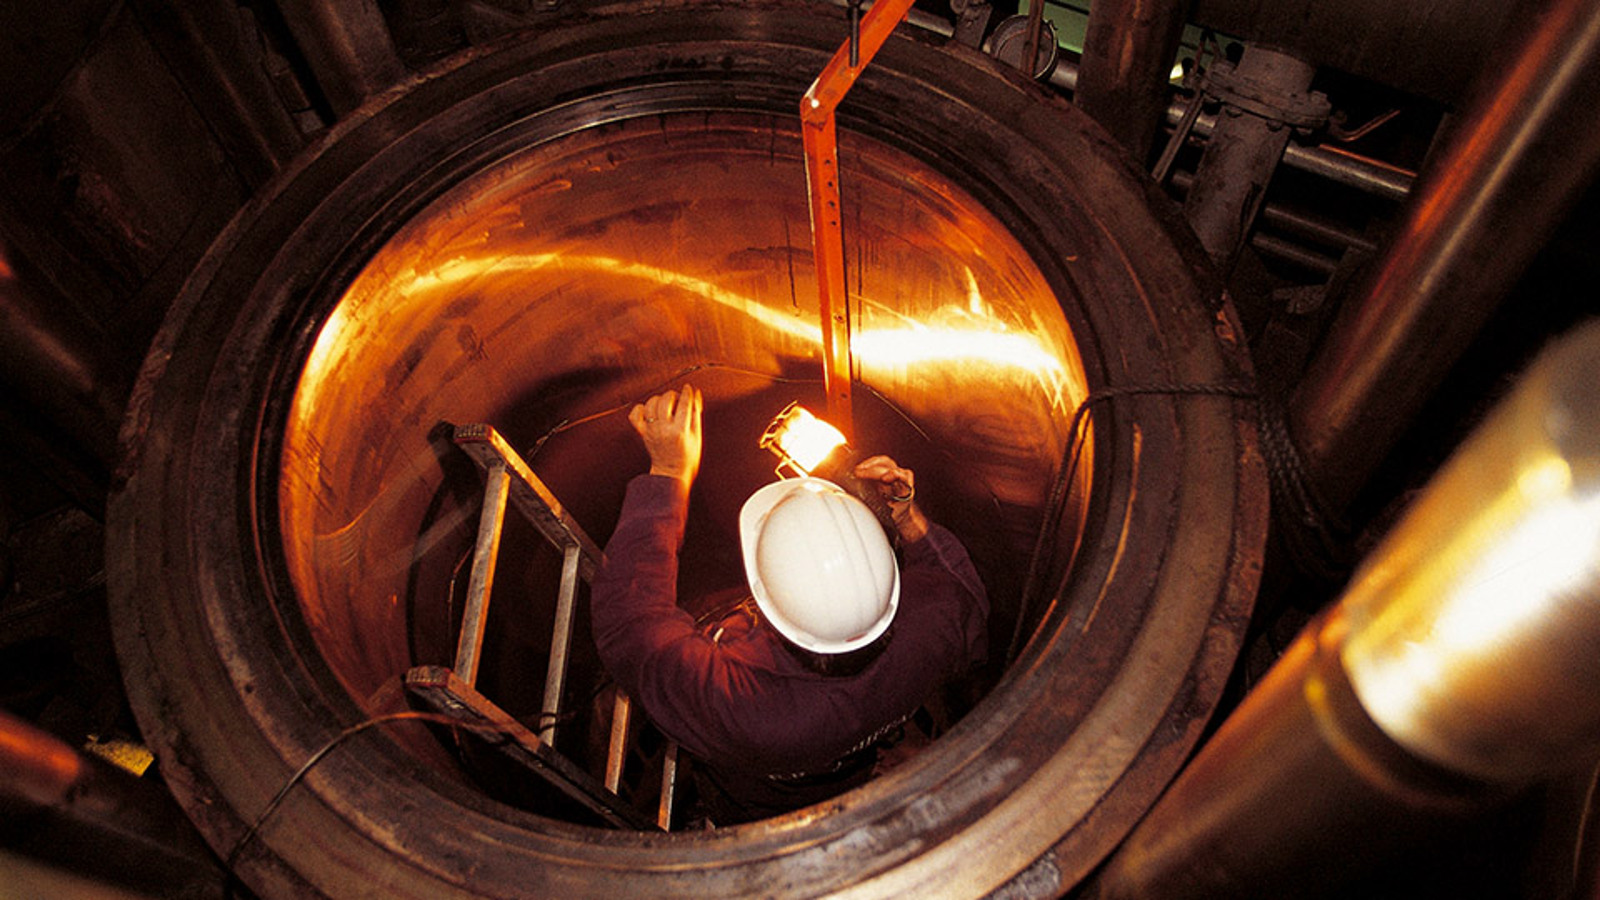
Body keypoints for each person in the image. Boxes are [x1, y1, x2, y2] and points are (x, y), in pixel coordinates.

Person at [590, 384, 989, 823]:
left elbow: (631, 626)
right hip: (847, 775)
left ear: (761, 596)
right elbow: (958, 590)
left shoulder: (740, 705)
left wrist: (668, 470)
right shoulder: (930, 630)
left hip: (753, 806)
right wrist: (905, 516)